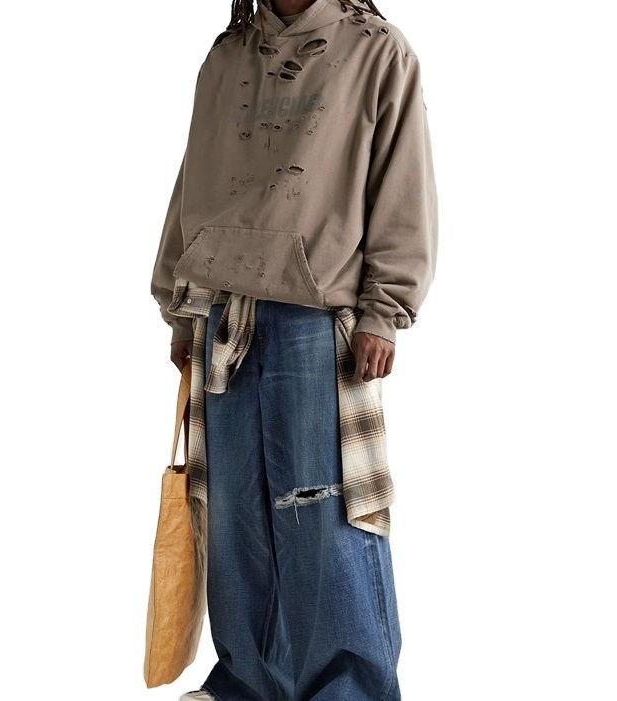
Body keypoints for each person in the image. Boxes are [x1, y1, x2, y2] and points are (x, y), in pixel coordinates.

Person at [150, 1, 437, 698]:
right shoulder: (226, 56)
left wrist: (384, 310)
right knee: (236, 516)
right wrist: (178, 305)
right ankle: (249, 682)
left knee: (325, 514)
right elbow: (193, 181)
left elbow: (402, 184)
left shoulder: (376, 51)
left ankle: (349, 688)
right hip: (223, 308)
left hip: (316, 317)